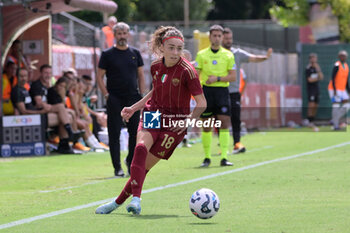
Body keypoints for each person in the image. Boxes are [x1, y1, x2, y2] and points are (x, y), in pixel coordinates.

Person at [95, 26, 206, 215]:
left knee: (143, 167)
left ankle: (116, 202)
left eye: (179, 48)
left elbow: (202, 103)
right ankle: (136, 200)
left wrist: (186, 122)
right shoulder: (155, 66)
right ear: (162, 47)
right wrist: (135, 107)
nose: (175, 52)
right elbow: (156, 91)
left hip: (174, 124)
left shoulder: (188, 71)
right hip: (154, 113)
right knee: (139, 148)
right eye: (171, 47)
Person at [97, 22, 146, 177]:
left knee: (134, 133)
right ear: (114, 34)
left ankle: (130, 161)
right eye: (119, 33)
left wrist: (142, 96)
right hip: (115, 98)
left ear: (128, 34)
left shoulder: (135, 53)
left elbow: (141, 75)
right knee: (114, 133)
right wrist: (106, 95)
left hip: (132, 97)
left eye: (125, 33)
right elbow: (99, 77)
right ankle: (117, 167)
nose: (122, 36)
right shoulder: (107, 54)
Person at [212, 27, 272, 154]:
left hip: (234, 92)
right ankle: (222, 146)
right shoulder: (214, 53)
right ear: (221, 38)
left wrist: (266, 57)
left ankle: (237, 143)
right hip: (219, 91)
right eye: (226, 38)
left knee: (236, 118)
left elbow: (253, 58)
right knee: (220, 120)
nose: (229, 41)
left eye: (230, 38)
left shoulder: (237, 53)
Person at [195, 25, 236, 167]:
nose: (217, 38)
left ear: (222, 37)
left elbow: (233, 76)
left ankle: (224, 157)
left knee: (224, 123)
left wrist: (217, 79)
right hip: (206, 92)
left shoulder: (228, 55)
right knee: (206, 125)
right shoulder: (201, 55)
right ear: (210, 37)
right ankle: (206, 158)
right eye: (214, 35)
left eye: (219, 36)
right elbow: (196, 75)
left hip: (222, 93)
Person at [328, 50, 350, 130]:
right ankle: (335, 126)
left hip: (343, 89)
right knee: (336, 106)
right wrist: (334, 89)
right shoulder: (337, 65)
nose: (343, 57)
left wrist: (348, 90)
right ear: (339, 57)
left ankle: (334, 119)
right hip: (334, 89)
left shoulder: (346, 66)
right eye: (341, 56)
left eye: (344, 56)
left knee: (347, 105)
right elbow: (333, 78)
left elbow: (346, 80)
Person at [305, 53, 324, 128]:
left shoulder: (317, 68)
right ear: (310, 59)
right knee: (311, 105)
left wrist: (318, 70)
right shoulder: (308, 68)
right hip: (311, 89)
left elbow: (321, 77)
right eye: (312, 58)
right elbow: (309, 80)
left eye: (314, 58)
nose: (313, 59)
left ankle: (312, 120)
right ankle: (309, 121)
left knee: (316, 105)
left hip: (317, 89)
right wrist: (317, 78)